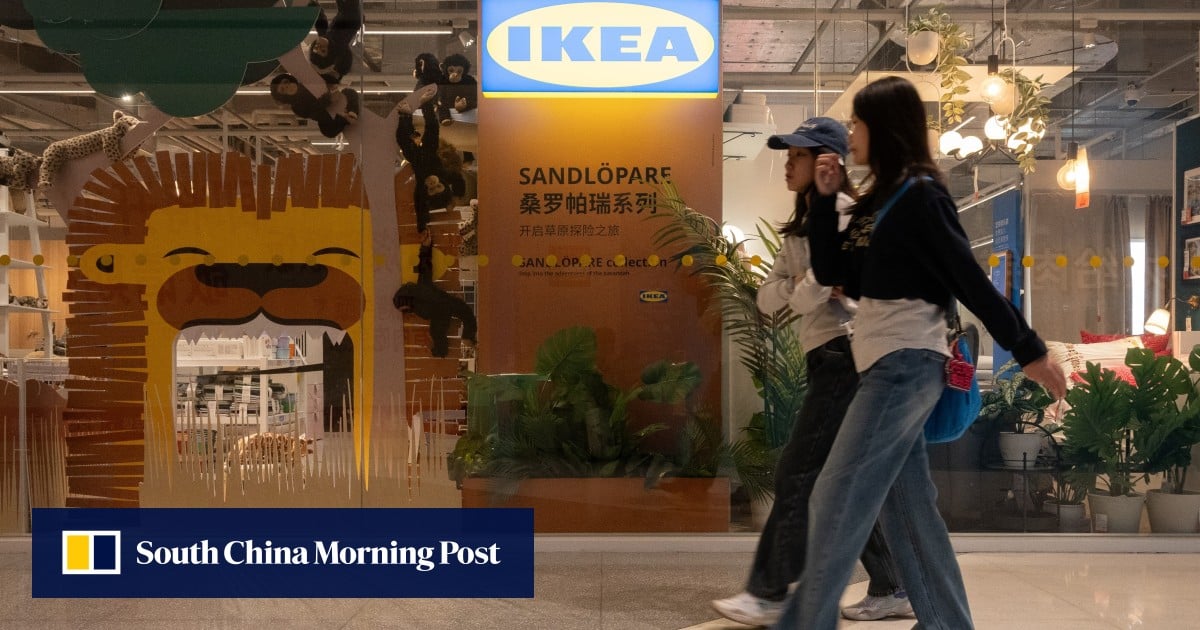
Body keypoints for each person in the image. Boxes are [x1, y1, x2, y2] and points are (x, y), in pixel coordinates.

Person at [773, 76, 1066, 630]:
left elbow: (968, 278)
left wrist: (1028, 350)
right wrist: (827, 201)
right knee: (907, 511)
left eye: (858, 123)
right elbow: (837, 274)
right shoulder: (875, 200)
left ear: (883, 128)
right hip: (882, 366)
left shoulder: (921, 195)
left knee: (836, 496)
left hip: (905, 365)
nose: (851, 134)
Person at [710, 117, 913, 627]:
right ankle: (893, 585)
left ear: (828, 162)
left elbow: (818, 295)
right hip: (828, 358)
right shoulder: (802, 227)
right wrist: (807, 282)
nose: (788, 163)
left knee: (798, 472)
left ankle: (769, 591)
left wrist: (808, 285)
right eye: (789, 155)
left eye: (797, 155)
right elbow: (768, 297)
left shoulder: (845, 217)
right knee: (838, 479)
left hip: (846, 356)